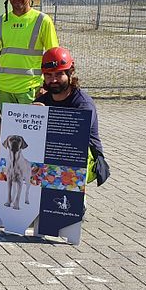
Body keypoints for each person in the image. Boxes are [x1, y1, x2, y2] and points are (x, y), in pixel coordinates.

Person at [33, 47, 110, 187]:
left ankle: (75, 195)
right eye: (48, 75)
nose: (53, 80)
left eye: (59, 74)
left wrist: (46, 117)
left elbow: (75, 138)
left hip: (84, 157)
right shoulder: (42, 101)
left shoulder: (83, 103)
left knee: (64, 152)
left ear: (70, 73)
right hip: (54, 152)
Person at [0, 0, 58, 109]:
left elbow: (52, 56)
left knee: (30, 130)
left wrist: (47, 87)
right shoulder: (0, 22)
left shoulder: (43, 21)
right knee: (9, 131)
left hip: (31, 90)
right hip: (4, 88)